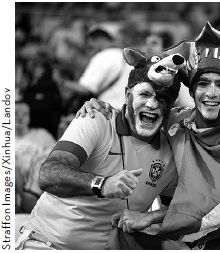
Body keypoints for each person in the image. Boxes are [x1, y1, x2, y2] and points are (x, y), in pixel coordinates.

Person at [77, 22, 220, 250]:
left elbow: (215, 206)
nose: (211, 93)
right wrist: (103, 109)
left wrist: (150, 218)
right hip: (174, 240)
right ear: (192, 90)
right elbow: (139, 116)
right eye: (203, 83)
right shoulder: (176, 120)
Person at [15, 49, 187, 250]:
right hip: (47, 244)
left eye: (162, 98)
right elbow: (48, 174)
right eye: (145, 94)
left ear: (172, 105)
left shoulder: (170, 151)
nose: (151, 104)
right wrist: (101, 184)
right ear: (127, 95)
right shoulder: (97, 119)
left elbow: (184, 207)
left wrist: (150, 217)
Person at [55, 24, 132, 109]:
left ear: (99, 40)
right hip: (128, 111)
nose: (91, 51)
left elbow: (85, 89)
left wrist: (61, 81)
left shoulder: (102, 57)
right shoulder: (128, 55)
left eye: (91, 47)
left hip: (109, 111)